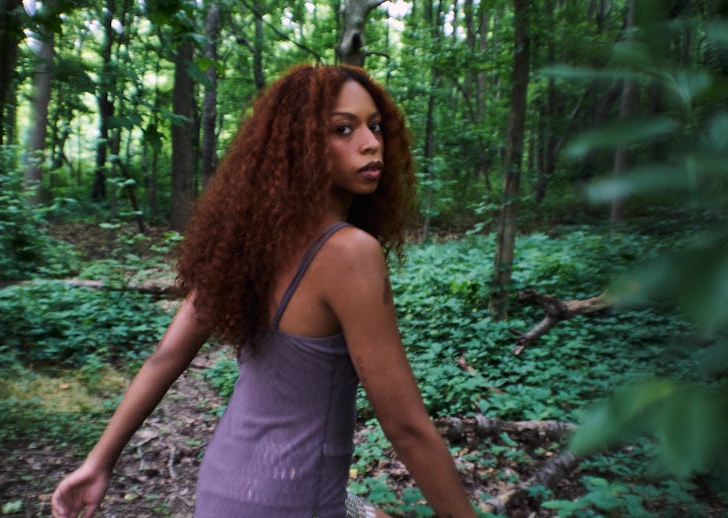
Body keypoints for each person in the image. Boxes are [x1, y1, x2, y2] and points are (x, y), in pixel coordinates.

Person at [52, 64, 477, 518]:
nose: (372, 143)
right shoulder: (351, 253)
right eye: (342, 129)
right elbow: (406, 427)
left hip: (225, 488)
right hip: (288, 502)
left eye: (374, 126)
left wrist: (99, 462)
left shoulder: (247, 243)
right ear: (301, 146)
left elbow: (165, 358)